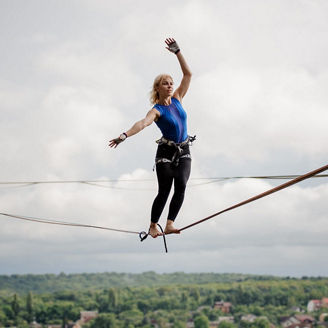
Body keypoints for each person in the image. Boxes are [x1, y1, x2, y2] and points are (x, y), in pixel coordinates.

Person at [109, 38, 193, 238]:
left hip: (183, 148)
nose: (170, 86)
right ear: (158, 88)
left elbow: (188, 74)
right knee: (165, 189)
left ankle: (170, 223)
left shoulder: (178, 98)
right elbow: (143, 123)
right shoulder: (157, 110)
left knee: (181, 183)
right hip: (165, 151)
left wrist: (178, 52)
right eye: (166, 83)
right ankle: (153, 225)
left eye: (171, 83)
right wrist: (124, 135)